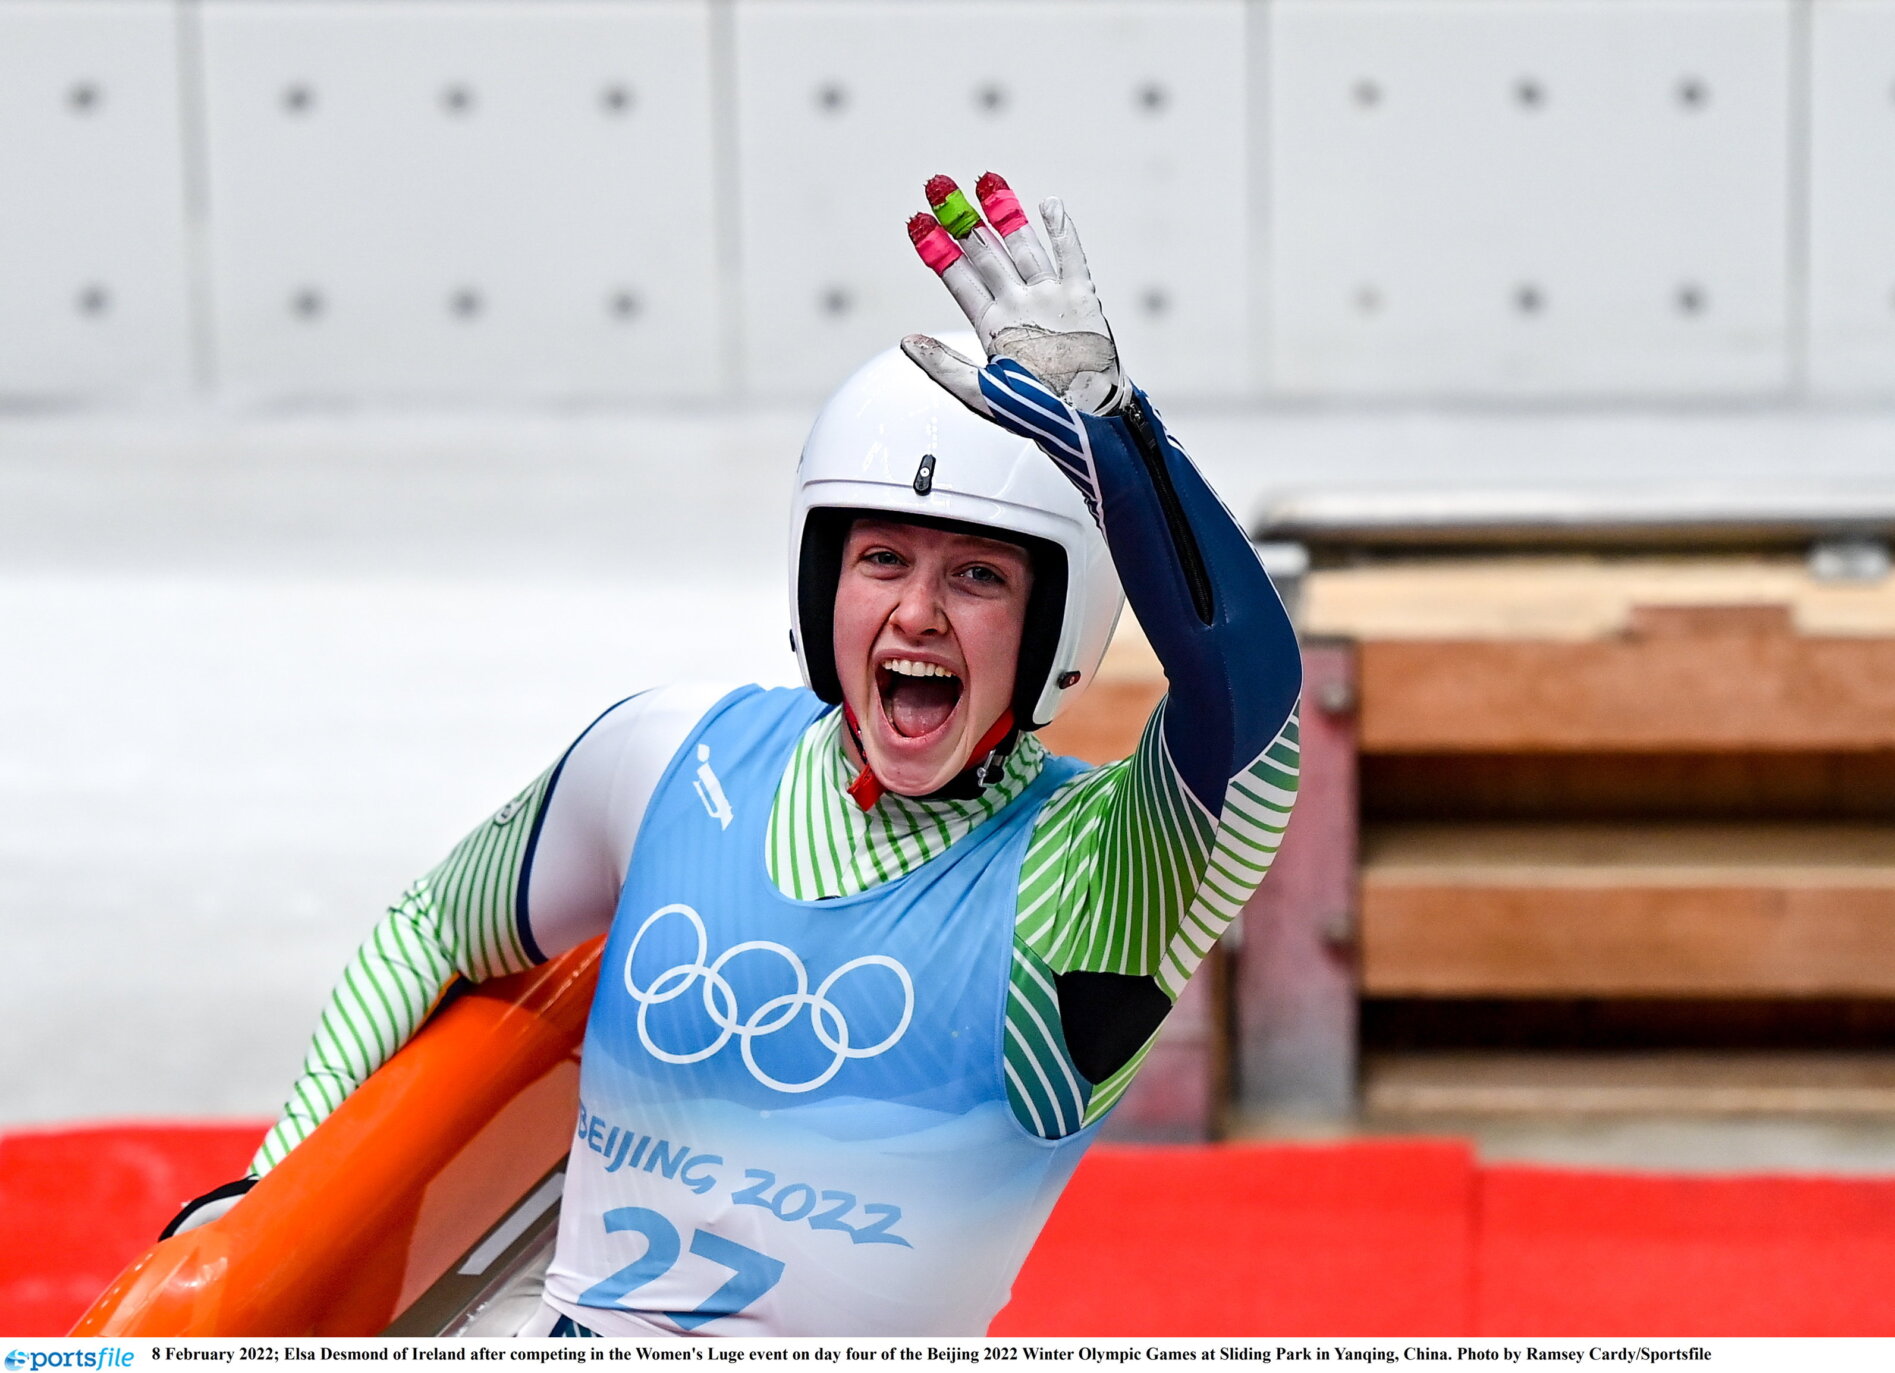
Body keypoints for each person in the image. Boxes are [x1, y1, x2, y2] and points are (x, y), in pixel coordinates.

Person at [165, 174, 1303, 1337]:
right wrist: (268, 1198)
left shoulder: (1107, 877)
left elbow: (1248, 700)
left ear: (1055, 625)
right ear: (821, 583)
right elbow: (431, 929)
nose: (916, 612)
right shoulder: (666, 758)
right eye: (879, 560)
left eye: (976, 574)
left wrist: (1116, 431)